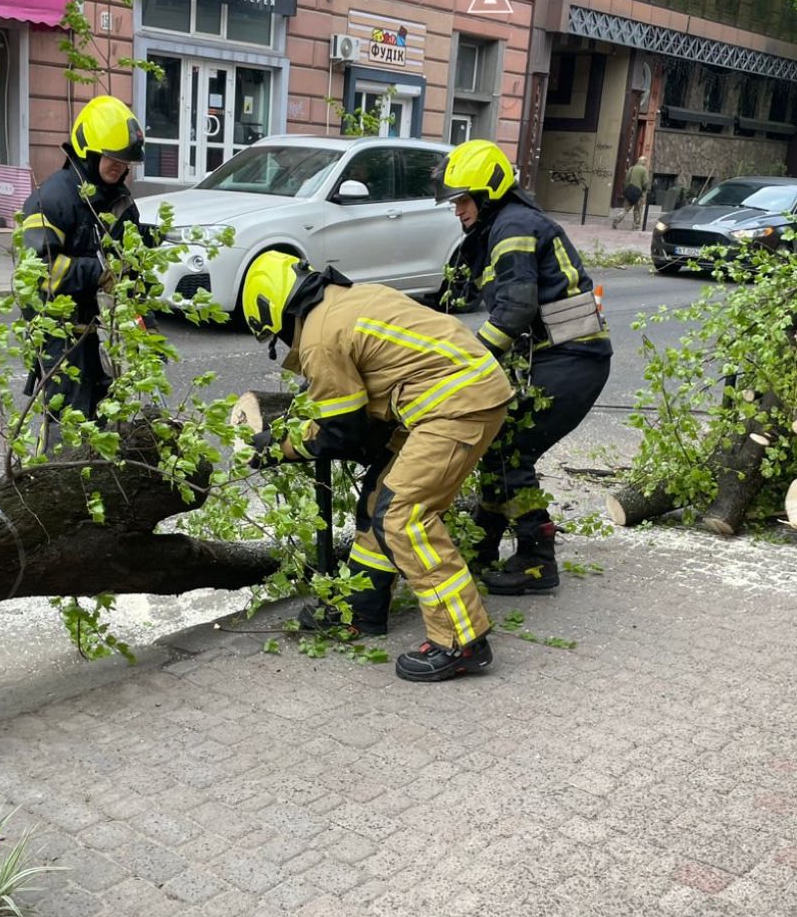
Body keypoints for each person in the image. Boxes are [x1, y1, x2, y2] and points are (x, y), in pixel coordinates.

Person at [240, 252, 513, 683]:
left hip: (456, 406)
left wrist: (280, 447)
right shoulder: (346, 300)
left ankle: (462, 640)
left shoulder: (319, 338)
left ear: (273, 312)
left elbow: (341, 432)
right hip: (448, 397)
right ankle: (362, 608)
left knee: (404, 516)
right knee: (377, 502)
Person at [436, 139, 612, 594]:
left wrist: (470, 366)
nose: (457, 210)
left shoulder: (513, 227)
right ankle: (482, 545)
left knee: (510, 451)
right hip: (561, 356)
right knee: (498, 448)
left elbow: (515, 310)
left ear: (488, 194)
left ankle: (536, 556)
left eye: (464, 200)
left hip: (573, 359)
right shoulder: (504, 224)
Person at [18, 96, 148, 445]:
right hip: (61, 333)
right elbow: (36, 273)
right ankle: (54, 473)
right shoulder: (52, 199)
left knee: (107, 417)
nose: (120, 168)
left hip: (104, 331)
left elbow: (130, 269)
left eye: (125, 162)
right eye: (113, 159)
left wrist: (144, 322)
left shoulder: (119, 201)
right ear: (88, 152)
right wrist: (100, 271)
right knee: (68, 422)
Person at [613, 153, 650, 229]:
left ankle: (617, 219)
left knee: (625, 209)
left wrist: (627, 190)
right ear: (644, 162)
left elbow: (626, 180)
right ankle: (636, 226)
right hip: (639, 193)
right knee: (637, 210)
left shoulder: (631, 168)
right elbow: (645, 183)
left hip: (630, 192)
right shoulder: (644, 170)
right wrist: (644, 190)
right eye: (646, 162)